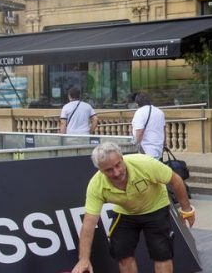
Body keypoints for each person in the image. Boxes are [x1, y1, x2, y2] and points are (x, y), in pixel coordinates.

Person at [71, 142, 195, 273]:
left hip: (156, 207)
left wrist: (186, 210)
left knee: (162, 254)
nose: (117, 172)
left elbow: (176, 180)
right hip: (125, 212)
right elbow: (89, 223)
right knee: (122, 254)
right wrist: (84, 259)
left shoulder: (145, 163)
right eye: (109, 170)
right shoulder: (96, 185)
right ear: (100, 170)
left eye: (118, 164)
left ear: (122, 158)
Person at [130, 92, 166, 159]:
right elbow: (163, 130)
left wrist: (135, 144)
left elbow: (140, 131)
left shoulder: (140, 112)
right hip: (158, 149)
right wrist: (164, 145)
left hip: (147, 150)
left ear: (137, 103)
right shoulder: (160, 112)